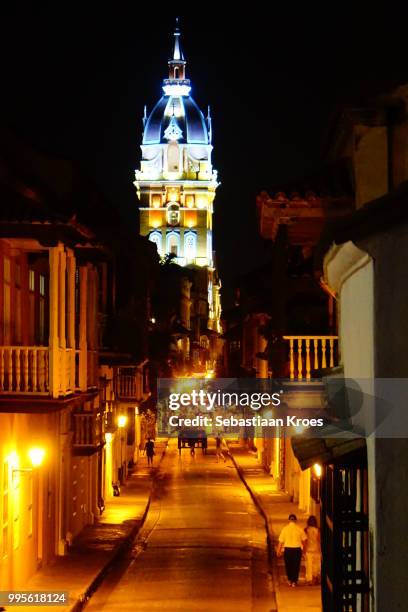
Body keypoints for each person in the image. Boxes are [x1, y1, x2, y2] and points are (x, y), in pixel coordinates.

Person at [277, 514, 307, 587]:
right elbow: (304, 541)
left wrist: (278, 551)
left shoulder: (285, 529)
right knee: (296, 566)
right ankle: (294, 581)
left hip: (288, 550)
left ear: (289, 520)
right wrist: (304, 552)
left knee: (288, 565)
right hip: (297, 550)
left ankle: (290, 580)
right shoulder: (299, 529)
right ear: (295, 520)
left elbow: (281, 541)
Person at [304, 515, 321, 585]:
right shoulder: (318, 530)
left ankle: (310, 580)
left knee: (309, 566)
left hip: (308, 550)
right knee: (316, 566)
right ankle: (316, 578)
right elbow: (319, 540)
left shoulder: (305, 530)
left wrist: (303, 550)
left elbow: (304, 541)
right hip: (316, 549)